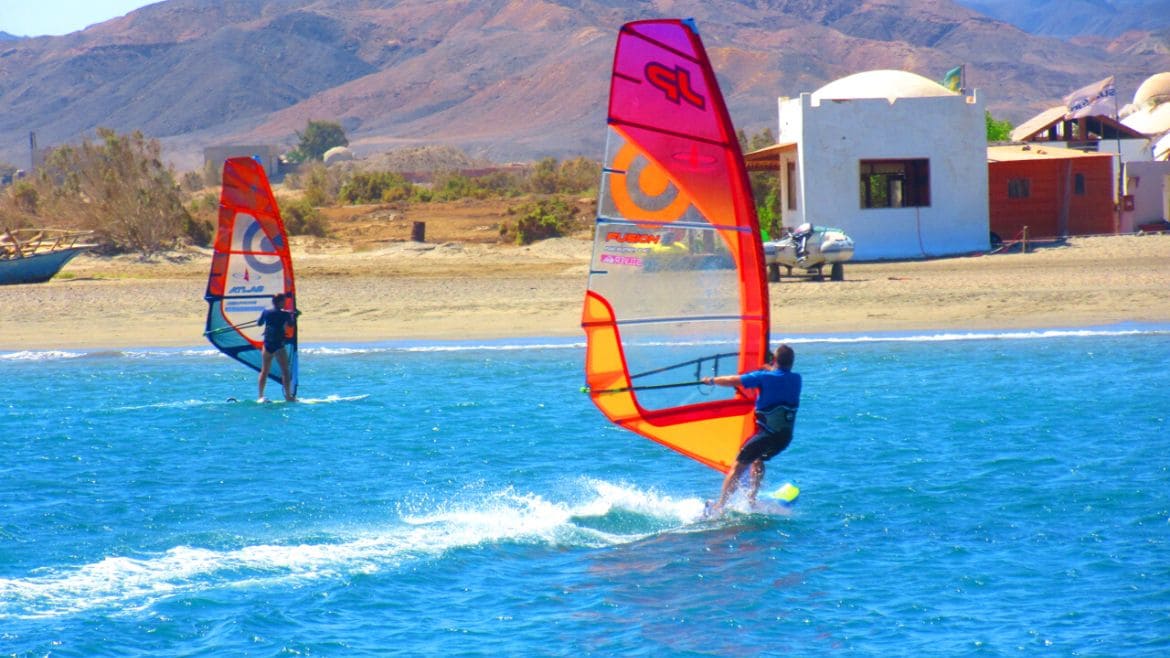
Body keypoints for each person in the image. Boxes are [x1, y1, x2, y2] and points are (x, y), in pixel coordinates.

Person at [703, 343, 802, 513]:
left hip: (766, 436)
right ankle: (751, 499)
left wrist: (711, 380)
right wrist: (769, 366)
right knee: (758, 460)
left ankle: (720, 507)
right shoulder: (796, 379)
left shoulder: (763, 377)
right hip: (784, 438)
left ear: (774, 360)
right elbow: (778, 374)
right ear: (791, 363)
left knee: (738, 466)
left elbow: (733, 380)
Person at [257, 292, 297, 402]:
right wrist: (294, 315)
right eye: (284, 301)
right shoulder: (285, 314)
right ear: (279, 302)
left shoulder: (266, 312)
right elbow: (291, 325)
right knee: (285, 371)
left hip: (267, 345)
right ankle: (288, 396)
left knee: (264, 371)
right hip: (279, 346)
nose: (285, 303)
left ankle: (260, 396)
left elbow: (259, 323)